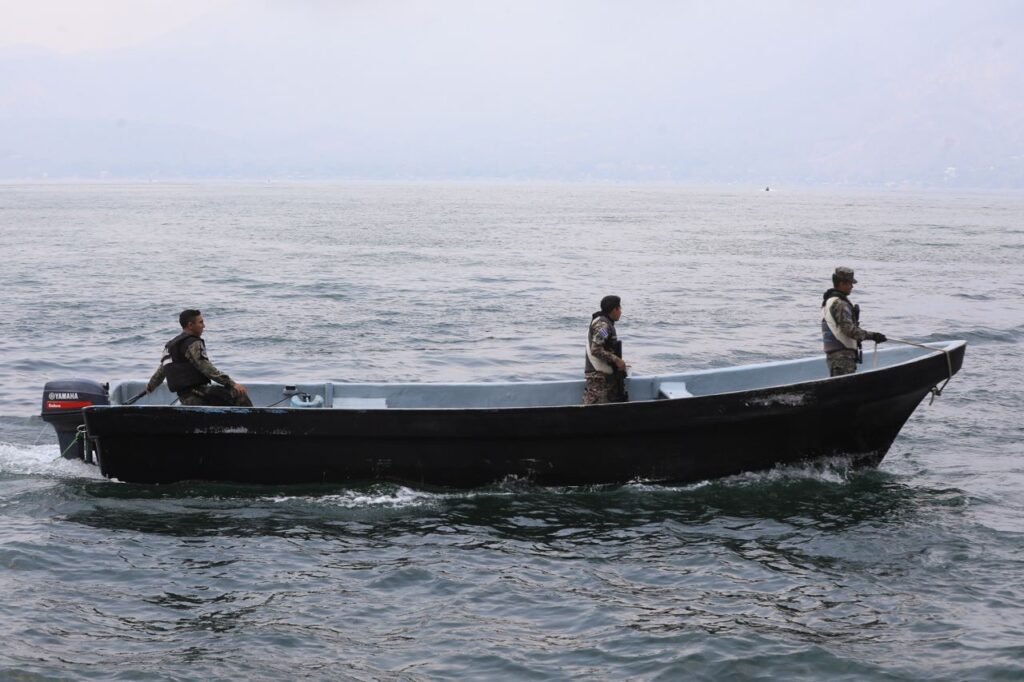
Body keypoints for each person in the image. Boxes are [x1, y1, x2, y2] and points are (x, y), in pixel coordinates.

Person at [145, 309, 253, 406]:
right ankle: (253, 424)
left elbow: (162, 371)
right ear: (190, 325)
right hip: (198, 394)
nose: (204, 326)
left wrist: (150, 386)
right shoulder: (193, 343)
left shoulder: (171, 345)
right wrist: (232, 384)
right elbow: (206, 368)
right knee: (239, 394)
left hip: (184, 397)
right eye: (200, 322)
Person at [821, 267, 887, 376]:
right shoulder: (840, 304)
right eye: (850, 283)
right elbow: (850, 330)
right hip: (843, 358)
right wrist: (873, 336)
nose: (852, 286)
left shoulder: (828, 301)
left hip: (834, 357)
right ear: (841, 283)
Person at [583, 295, 628, 404]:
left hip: (604, 374)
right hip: (598, 376)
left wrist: (618, 363)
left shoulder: (604, 322)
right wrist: (617, 360)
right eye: (620, 308)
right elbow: (596, 349)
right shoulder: (603, 326)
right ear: (614, 309)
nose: (621, 312)